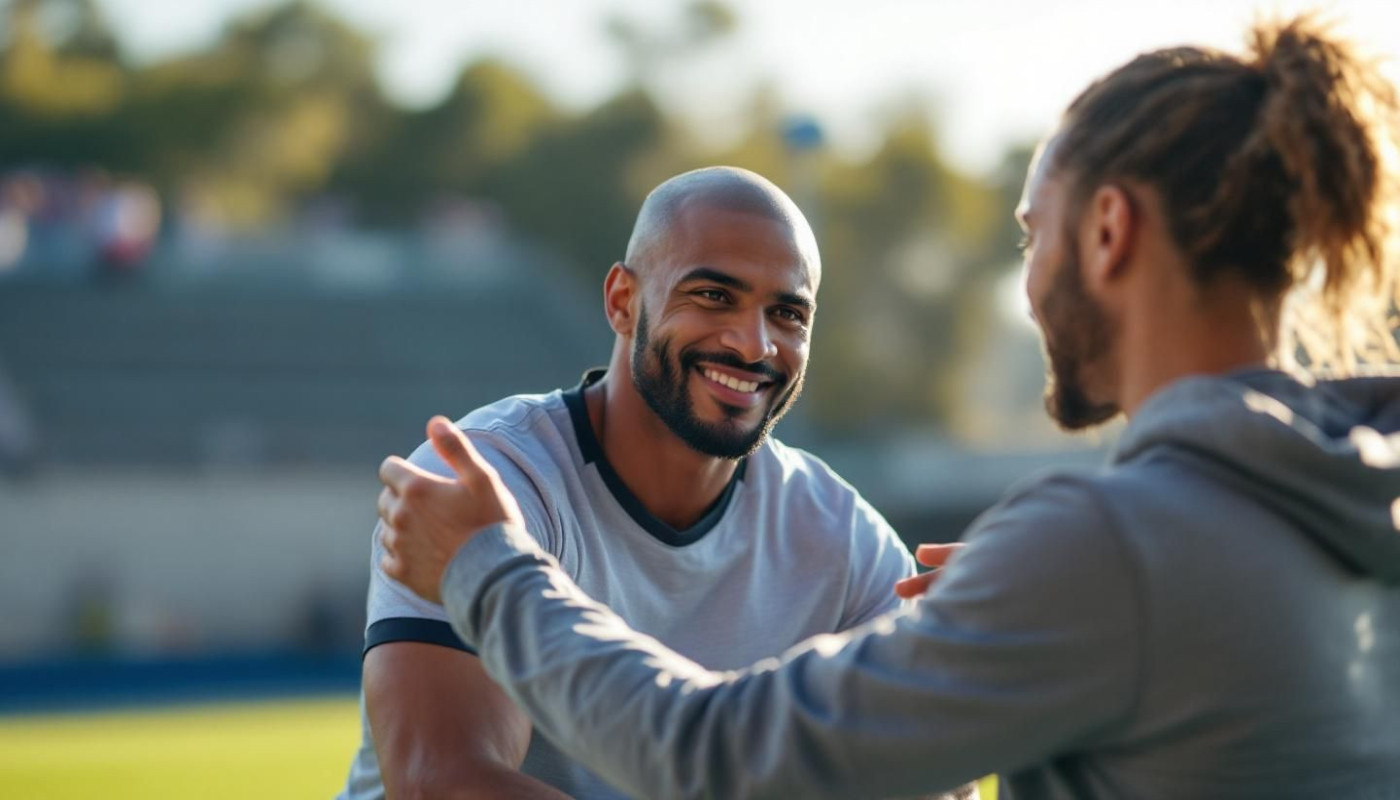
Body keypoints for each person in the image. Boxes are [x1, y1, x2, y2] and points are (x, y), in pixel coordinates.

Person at [376, 16, 1400, 800]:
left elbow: (714, 753)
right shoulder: (1351, 518)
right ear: (620, 298)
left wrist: (486, 566)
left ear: (1106, 233)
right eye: (712, 296)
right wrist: (989, 671)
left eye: (1027, 234)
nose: (1028, 283)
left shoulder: (1112, 544)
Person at [338, 166, 955, 799]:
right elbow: (443, 783)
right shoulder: (491, 482)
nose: (754, 344)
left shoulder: (843, 538)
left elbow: (926, 779)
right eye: (714, 295)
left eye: (787, 313)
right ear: (622, 300)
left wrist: (955, 708)